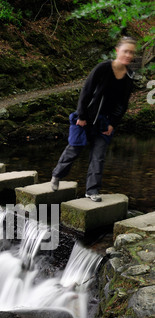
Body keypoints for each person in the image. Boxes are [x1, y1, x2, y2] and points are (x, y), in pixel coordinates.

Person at [51, 37, 136, 202]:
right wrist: (82, 116)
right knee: (74, 149)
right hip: (87, 118)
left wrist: (113, 123)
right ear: (117, 51)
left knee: (98, 156)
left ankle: (92, 190)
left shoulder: (129, 77)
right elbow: (86, 91)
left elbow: (122, 104)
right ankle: (56, 175)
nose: (128, 55)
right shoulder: (103, 68)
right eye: (125, 51)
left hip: (104, 122)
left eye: (131, 52)